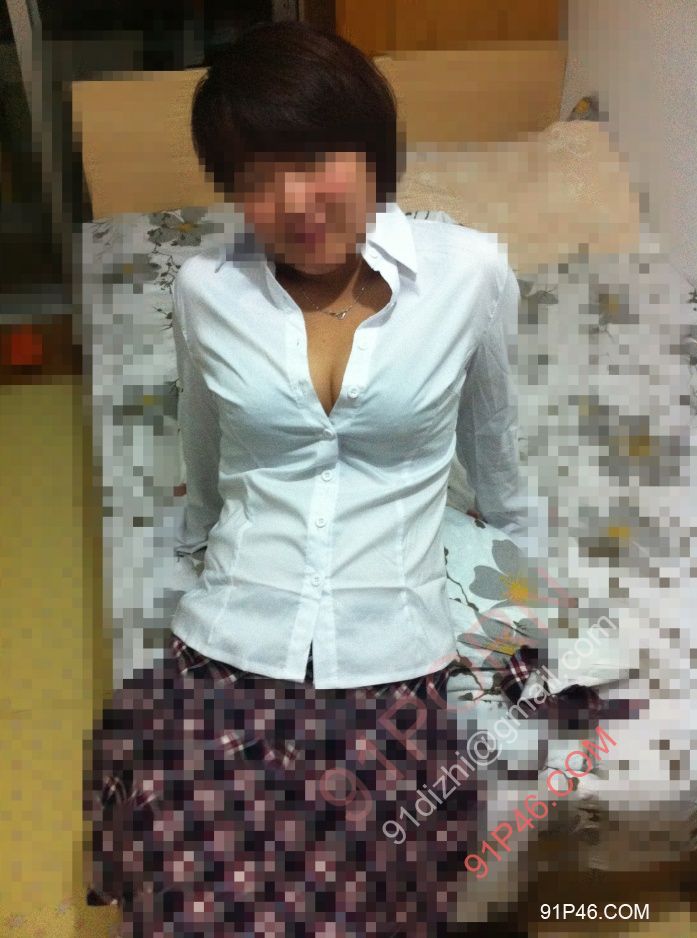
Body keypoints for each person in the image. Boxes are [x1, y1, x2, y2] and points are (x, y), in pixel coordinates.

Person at [84, 20, 534, 937]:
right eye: (255, 178)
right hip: (231, 640)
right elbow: (203, 440)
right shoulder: (206, 289)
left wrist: (527, 603)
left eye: (314, 160)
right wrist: (195, 535)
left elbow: (495, 450)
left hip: (392, 657)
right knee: (188, 894)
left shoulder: (470, 275)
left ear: (371, 150)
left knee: (359, 900)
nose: (292, 202)